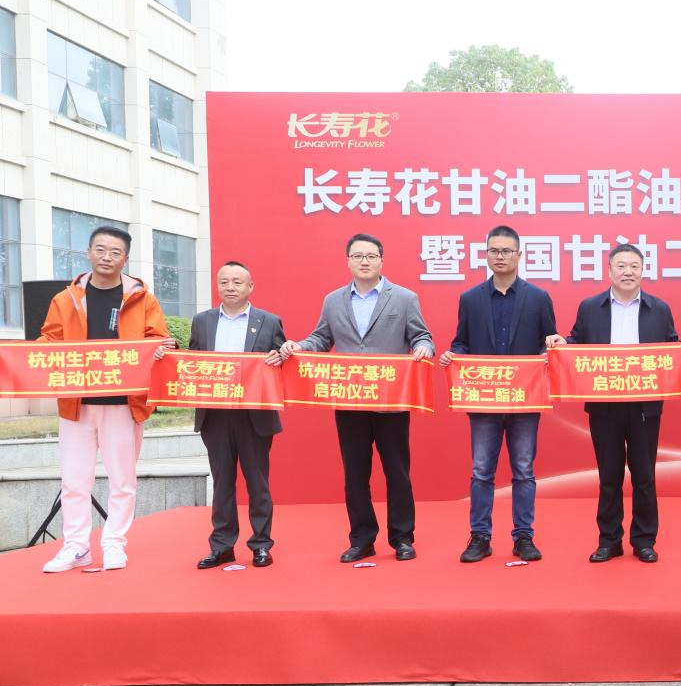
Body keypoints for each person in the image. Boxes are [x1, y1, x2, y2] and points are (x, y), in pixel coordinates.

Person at [279, 234, 434, 563]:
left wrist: (423, 347)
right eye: (358, 256)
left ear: (381, 261)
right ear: (348, 261)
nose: (364, 261)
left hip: (391, 401)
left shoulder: (404, 298)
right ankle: (362, 538)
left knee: (397, 472)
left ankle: (402, 538)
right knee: (355, 474)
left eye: (371, 256)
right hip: (350, 400)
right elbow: (321, 338)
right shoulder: (333, 300)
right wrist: (300, 346)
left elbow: (422, 335)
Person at [39, 226, 175, 573]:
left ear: (125, 259)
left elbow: (158, 338)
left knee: (122, 480)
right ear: (88, 253)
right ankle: (76, 546)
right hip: (77, 403)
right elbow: (48, 340)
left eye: (115, 252)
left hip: (124, 404)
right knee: (74, 480)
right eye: (100, 249)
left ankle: (114, 544)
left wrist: (162, 347)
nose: (106, 257)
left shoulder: (142, 299)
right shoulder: (65, 299)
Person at [547, 243, 679, 564]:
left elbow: (672, 348)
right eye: (621, 266)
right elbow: (578, 341)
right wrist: (564, 342)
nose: (627, 272)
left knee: (644, 476)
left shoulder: (659, 309)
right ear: (609, 271)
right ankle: (609, 541)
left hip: (645, 405)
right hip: (604, 402)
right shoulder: (590, 307)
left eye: (634, 266)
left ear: (643, 270)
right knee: (609, 476)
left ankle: (644, 540)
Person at [439, 225, 558, 563]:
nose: (500, 256)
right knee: (481, 471)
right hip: (484, 400)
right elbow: (462, 341)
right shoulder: (471, 298)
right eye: (494, 251)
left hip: (524, 400)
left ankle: (524, 536)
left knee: (523, 470)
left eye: (506, 251)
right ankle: (480, 537)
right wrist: (454, 356)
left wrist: (547, 353)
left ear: (519, 255)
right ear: (486, 255)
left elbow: (549, 342)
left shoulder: (538, 298)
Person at [187, 262, 287, 569]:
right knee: (222, 482)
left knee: (258, 483)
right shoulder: (202, 321)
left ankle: (261, 544)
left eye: (237, 282)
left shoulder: (269, 321)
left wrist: (281, 356)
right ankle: (222, 546)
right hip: (215, 414)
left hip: (254, 414)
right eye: (224, 282)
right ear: (217, 285)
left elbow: (283, 363)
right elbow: (190, 360)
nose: (230, 287)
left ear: (250, 287)